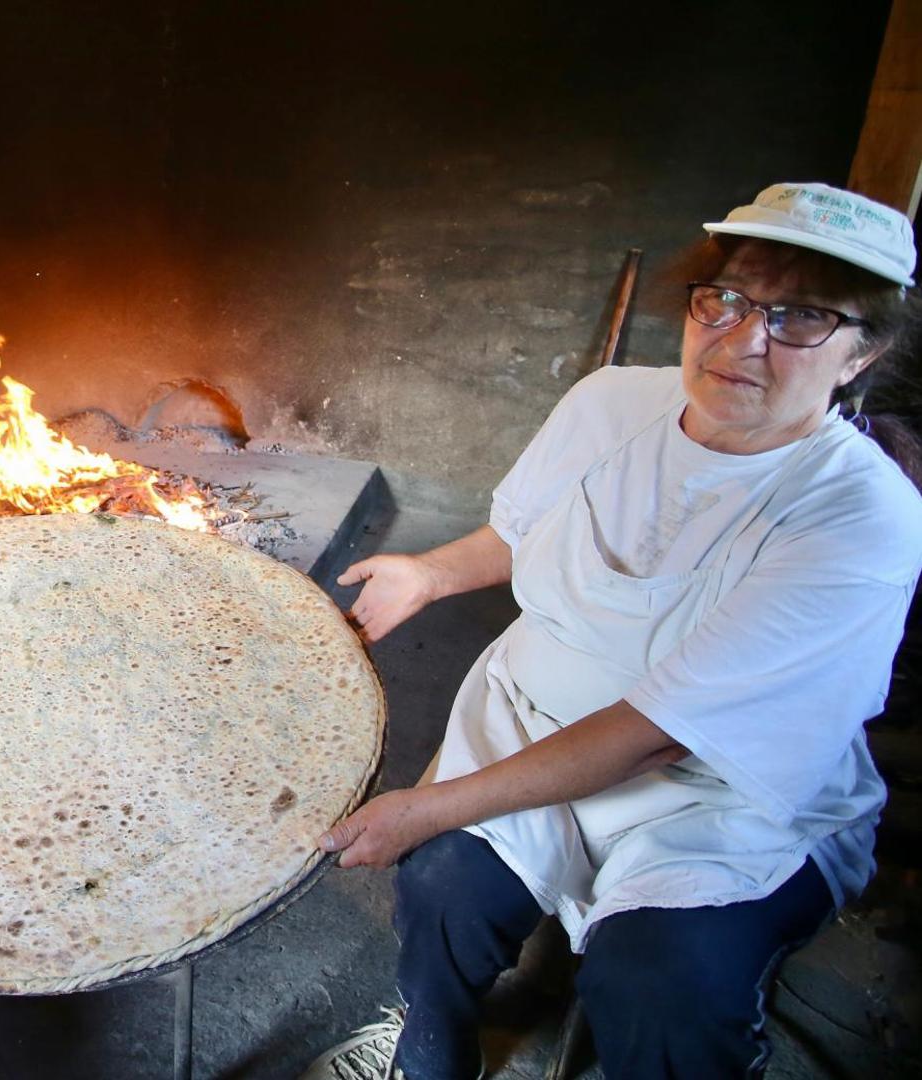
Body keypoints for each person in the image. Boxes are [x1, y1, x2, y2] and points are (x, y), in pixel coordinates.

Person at [299, 182, 922, 1080]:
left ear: (863, 353)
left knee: (661, 980)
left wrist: (425, 804)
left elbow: (656, 738)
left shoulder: (857, 518)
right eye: (730, 299)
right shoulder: (611, 403)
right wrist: (429, 573)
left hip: (719, 799)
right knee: (441, 885)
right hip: (531, 719)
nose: (744, 339)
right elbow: (522, 531)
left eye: (801, 319)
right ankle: (431, 1049)